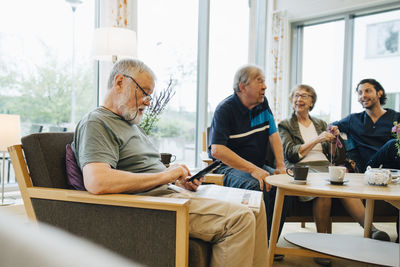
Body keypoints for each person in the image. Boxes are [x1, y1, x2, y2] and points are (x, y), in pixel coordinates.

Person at [71, 59, 269, 267]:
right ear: (119, 82)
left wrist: (179, 181)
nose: (148, 101)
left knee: (256, 204)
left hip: (169, 193)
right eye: (144, 92)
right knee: (240, 219)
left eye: (150, 95)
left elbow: (142, 171)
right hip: (149, 206)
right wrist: (166, 176)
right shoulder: (97, 122)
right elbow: (97, 181)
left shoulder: (129, 125)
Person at [278, 84, 390, 266]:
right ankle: (323, 247)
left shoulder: (320, 123)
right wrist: (318, 139)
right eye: (296, 96)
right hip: (303, 168)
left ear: (312, 101)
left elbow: (335, 156)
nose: (299, 99)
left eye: (304, 96)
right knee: (324, 192)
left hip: (324, 165)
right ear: (292, 101)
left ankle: (371, 230)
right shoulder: (285, 125)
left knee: (343, 184)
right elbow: (291, 153)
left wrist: (334, 140)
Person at [208, 64, 291, 259]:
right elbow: (217, 150)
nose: (265, 86)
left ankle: (269, 244)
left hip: (257, 166)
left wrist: (280, 166)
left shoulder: (263, 104)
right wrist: (253, 169)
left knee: (285, 186)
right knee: (257, 185)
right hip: (228, 168)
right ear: (242, 87)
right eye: (259, 80)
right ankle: (255, 245)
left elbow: (273, 134)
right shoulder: (225, 110)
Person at [333, 78, 400, 172]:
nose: (363, 95)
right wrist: (334, 130)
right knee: (393, 144)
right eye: (360, 93)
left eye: (367, 91)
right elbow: (332, 126)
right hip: (369, 167)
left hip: (392, 166)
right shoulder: (353, 119)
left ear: (379, 93)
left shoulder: (396, 117)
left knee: (394, 144)